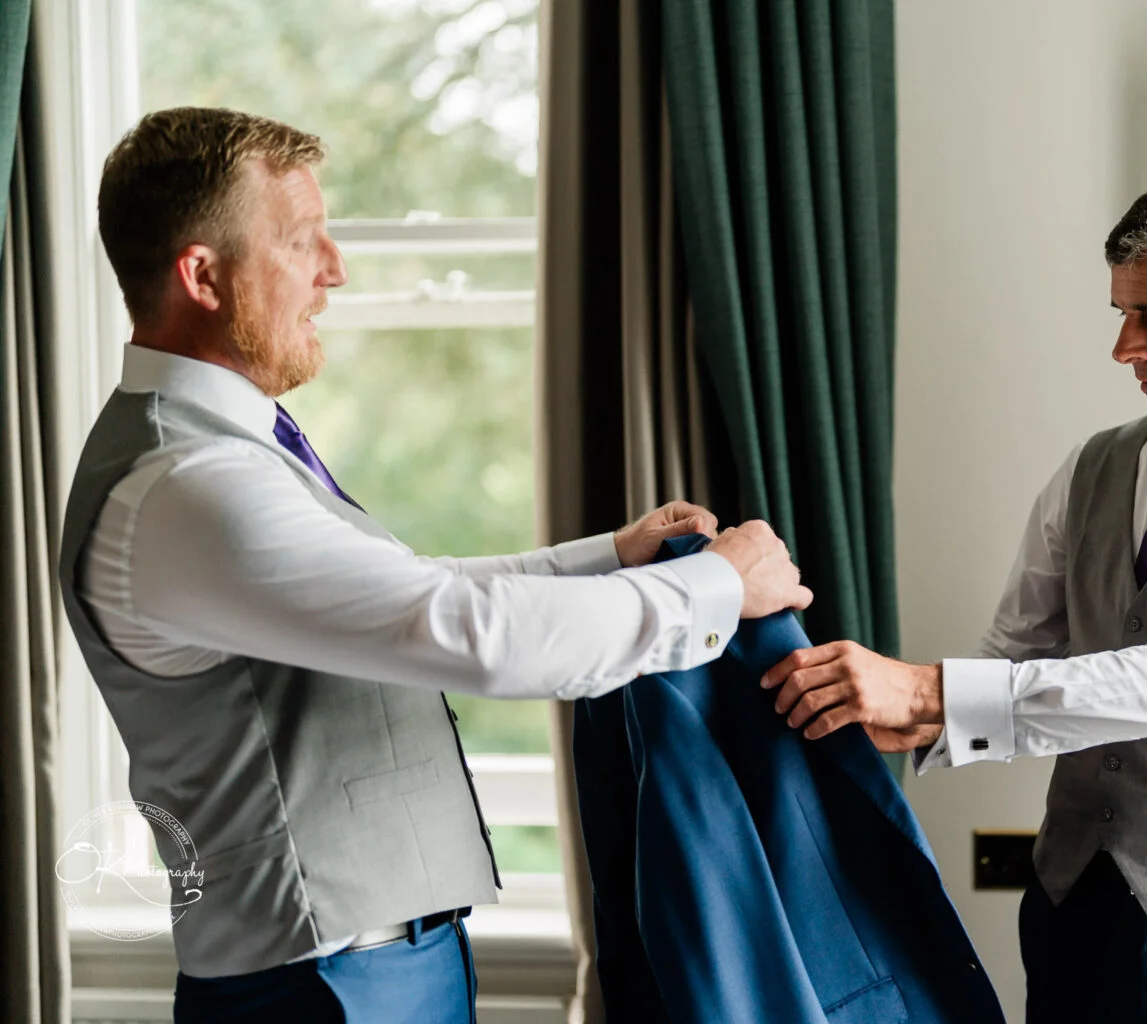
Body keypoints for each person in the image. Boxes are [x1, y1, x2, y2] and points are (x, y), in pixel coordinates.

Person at [57, 106, 811, 1024]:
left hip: (377, 968)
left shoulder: (228, 454)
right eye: (301, 243)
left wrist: (612, 559)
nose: (334, 270)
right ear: (202, 275)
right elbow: (471, 636)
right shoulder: (185, 487)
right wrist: (718, 585)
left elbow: (423, 591)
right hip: (320, 987)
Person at [763, 169, 1147, 1023]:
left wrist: (928, 691)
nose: (1124, 347)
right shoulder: (1092, 467)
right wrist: (895, 716)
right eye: (1122, 315)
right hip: (1074, 914)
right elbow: (1014, 655)